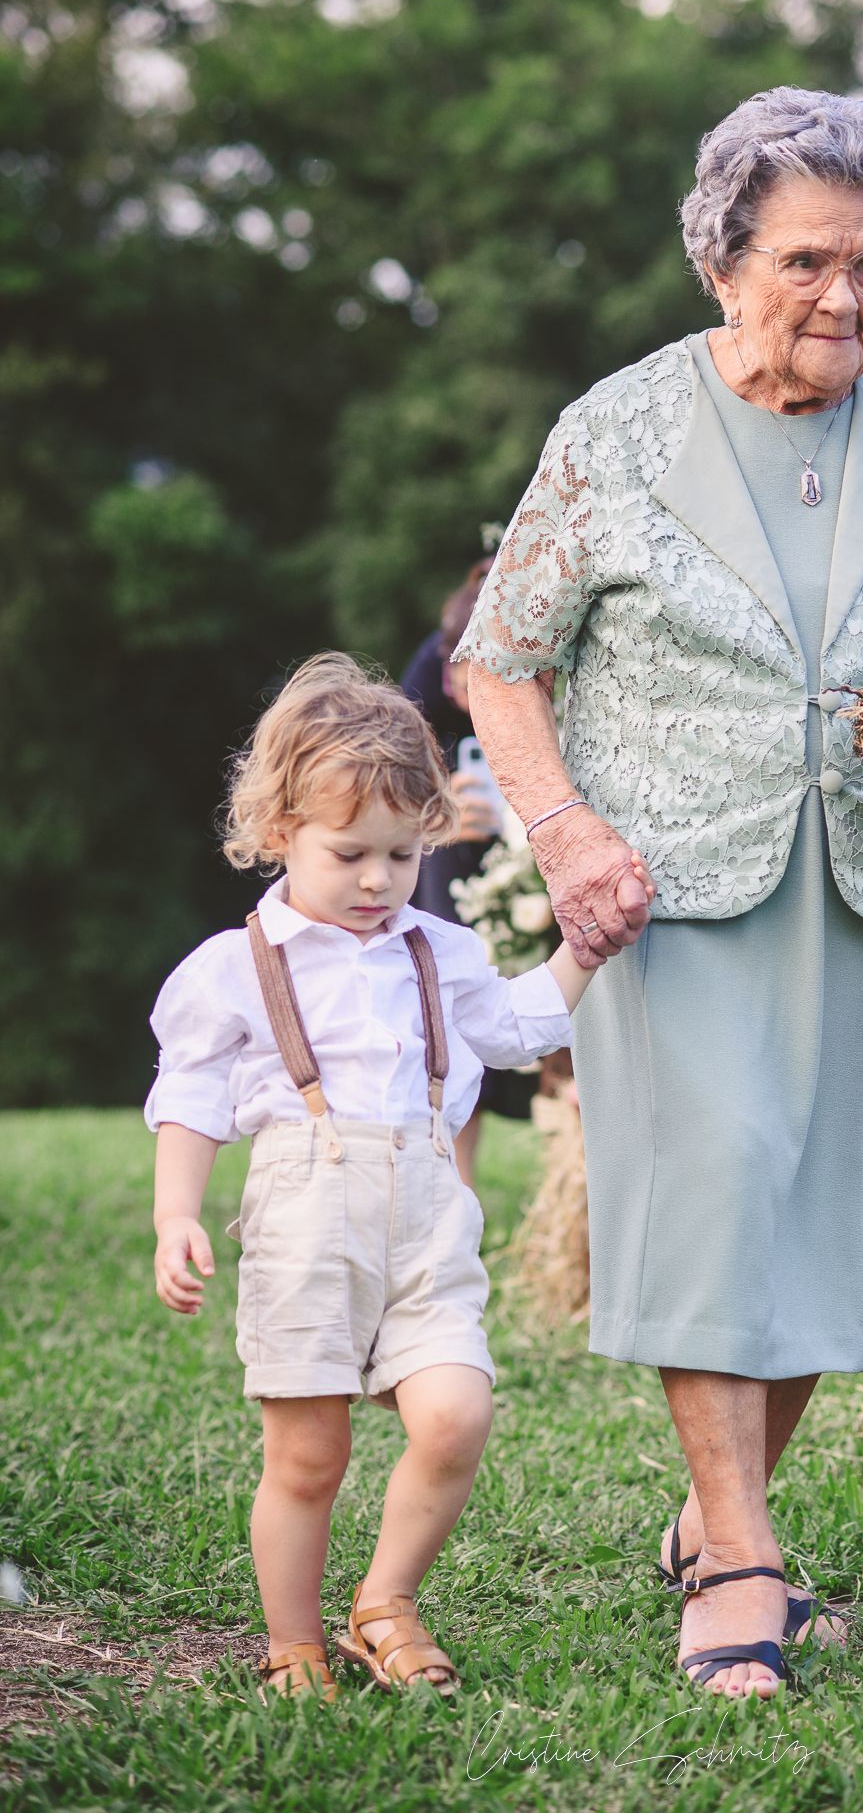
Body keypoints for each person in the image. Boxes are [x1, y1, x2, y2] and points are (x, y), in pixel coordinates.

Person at [454, 86, 863, 1700]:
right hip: (671, 886)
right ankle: (735, 1557)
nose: (841, 296)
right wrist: (567, 832)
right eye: (804, 260)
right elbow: (497, 663)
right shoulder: (618, 429)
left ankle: (726, 1518)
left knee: (806, 1221)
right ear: (724, 263)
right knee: (722, 1185)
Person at [145, 655, 636, 1700]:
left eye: (402, 857)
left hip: (424, 1219)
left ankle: (385, 1599)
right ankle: (294, 1642)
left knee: (456, 1414)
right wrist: (175, 1215)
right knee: (310, 1456)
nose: (377, 881)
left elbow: (515, 1028)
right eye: (349, 855)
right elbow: (191, 1097)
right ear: (278, 832)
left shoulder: (439, 951)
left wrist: (585, 948)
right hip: (305, 1223)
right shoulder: (237, 966)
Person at [403, 560, 543, 1185]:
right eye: (453, 672)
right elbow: (389, 778)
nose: (458, 689)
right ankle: (454, 1175)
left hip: (538, 840)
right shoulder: (426, 681)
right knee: (450, 999)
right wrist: (440, 812)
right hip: (451, 854)